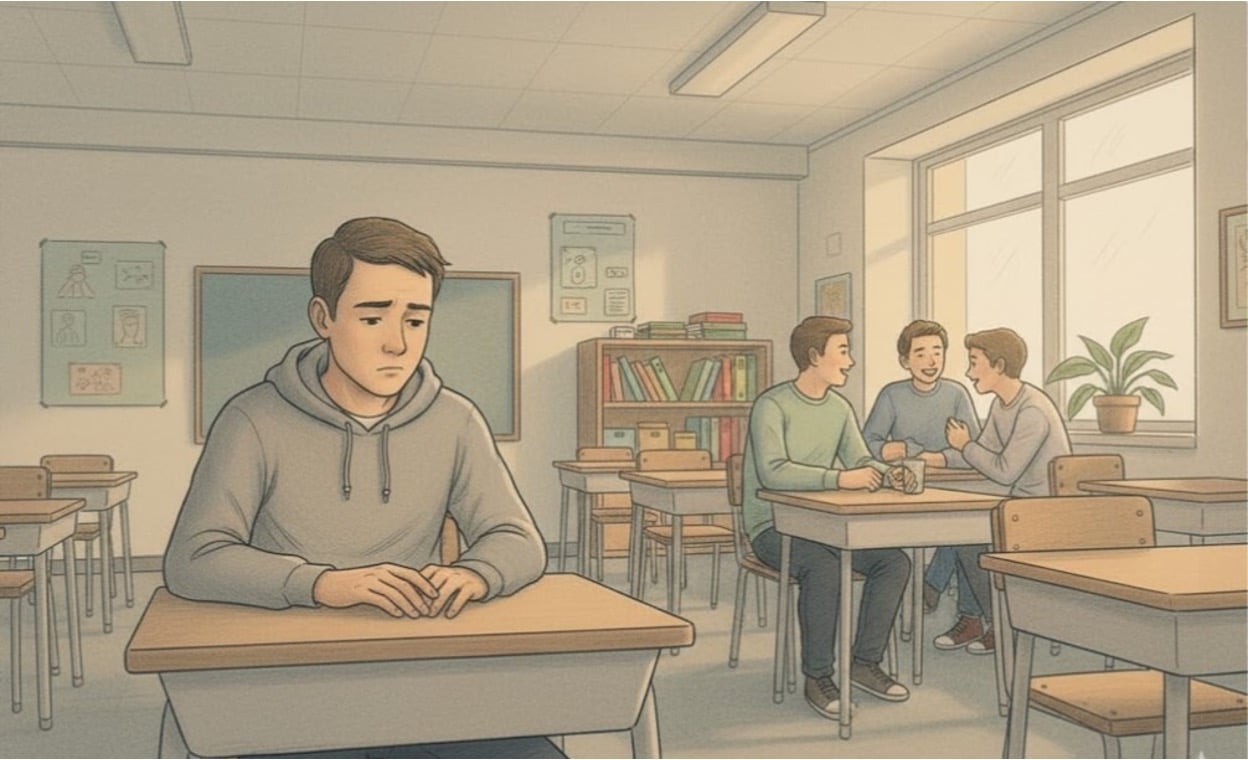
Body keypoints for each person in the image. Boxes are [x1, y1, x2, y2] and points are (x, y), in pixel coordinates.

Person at [164, 217, 555, 759]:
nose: (398, 343)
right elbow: (192, 559)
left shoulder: (456, 420)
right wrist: (322, 584)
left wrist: (475, 573)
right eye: (373, 318)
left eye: (416, 320)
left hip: (413, 670)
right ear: (323, 318)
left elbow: (518, 539)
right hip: (286, 676)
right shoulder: (252, 418)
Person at [741, 315, 913, 721]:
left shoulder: (839, 408)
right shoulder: (771, 405)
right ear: (815, 356)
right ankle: (818, 676)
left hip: (823, 524)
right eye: (843, 351)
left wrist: (890, 473)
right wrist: (838, 479)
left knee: (894, 562)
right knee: (824, 567)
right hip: (773, 526)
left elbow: (859, 458)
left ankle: (865, 663)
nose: (850, 362)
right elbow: (773, 472)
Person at [941, 327, 1072, 656]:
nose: (969, 373)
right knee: (962, 532)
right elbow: (982, 453)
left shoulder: (1032, 411)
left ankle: (1001, 624)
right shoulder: (1003, 405)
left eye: (974, 363)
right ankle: (981, 620)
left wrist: (965, 445)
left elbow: (1003, 471)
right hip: (1020, 506)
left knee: (968, 538)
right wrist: (937, 458)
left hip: (1046, 513)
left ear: (998, 365)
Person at [863, 320, 984, 639]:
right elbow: (867, 444)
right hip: (906, 490)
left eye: (937, 352)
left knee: (964, 529)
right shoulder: (892, 395)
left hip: (953, 489)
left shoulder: (956, 394)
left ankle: (933, 586)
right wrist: (890, 449)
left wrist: (920, 453)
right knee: (960, 531)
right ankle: (946, 598)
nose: (931, 361)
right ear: (905, 360)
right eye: (920, 353)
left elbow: (972, 451)